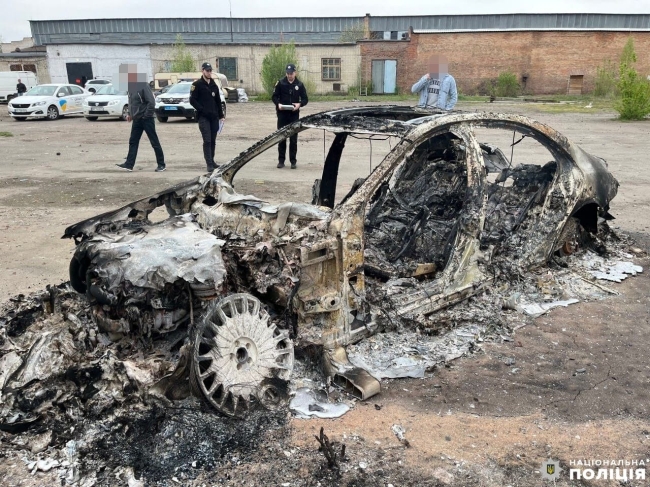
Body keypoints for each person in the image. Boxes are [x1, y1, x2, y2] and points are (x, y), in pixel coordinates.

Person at [116, 64, 165, 172]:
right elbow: (131, 102)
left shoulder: (143, 85)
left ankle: (161, 164)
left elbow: (151, 102)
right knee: (133, 141)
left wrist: (146, 115)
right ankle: (129, 164)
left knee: (154, 142)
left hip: (147, 119)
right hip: (137, 119)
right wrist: (130, 114)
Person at [190, 62, 225, 172]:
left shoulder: (214, 84)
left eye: (210, 70)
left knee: (213, 140)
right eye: (207, 70)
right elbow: (192, 100)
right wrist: (201, 109)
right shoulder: (197, 85)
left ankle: (212, 161)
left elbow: (218, 101)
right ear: (203, 71)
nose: (209, 72)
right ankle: (209, 163)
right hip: (203, 117)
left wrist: (221, 115)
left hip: (214, 117)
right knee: (207, 140)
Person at [272, 64, 308, 169]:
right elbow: (274, 96)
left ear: (295, 73)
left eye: (291, 73)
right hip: (282, 114)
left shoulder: (299, 85)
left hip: (294, 115)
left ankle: (293, 161)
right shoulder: (280, 83)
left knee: (293, 139)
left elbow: (305, 99)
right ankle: (281, 161)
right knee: (281, 137)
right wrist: (278, 104)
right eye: (288, 73)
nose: (289, 75)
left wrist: (299, 104)